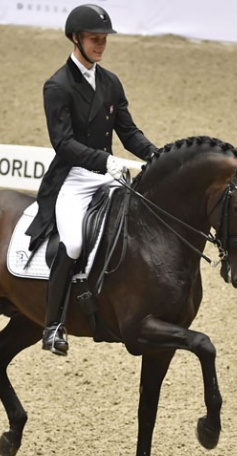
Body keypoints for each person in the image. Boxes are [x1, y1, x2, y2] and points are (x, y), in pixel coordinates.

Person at [26, 3, 158, 357]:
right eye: (94, 39)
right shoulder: (57, 86)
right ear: (76, 39)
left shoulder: (110, 82)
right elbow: (64, 143)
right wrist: (104, 160)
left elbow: (129, 133)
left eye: (104, 39)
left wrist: (157, 157)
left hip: (107, 175)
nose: (101, 44)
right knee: (71, 244)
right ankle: (53, 325)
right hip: (73, 178)